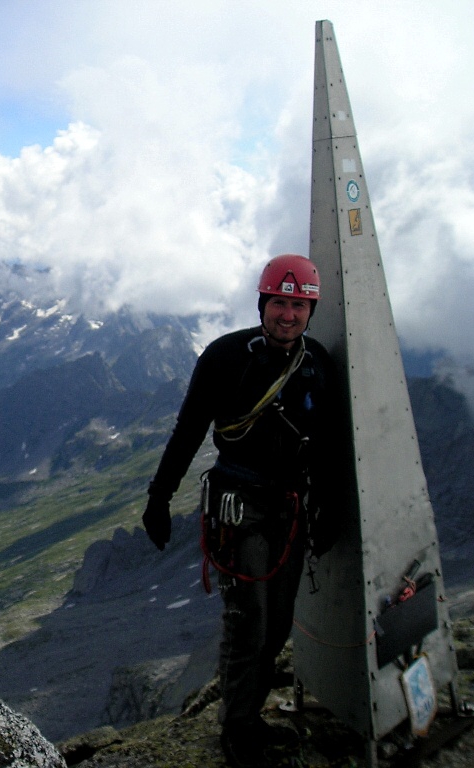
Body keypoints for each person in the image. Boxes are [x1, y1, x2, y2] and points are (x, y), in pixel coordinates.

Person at [142, 254, 339, 768]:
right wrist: (159, 498)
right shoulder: (226, 357)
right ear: (262, 304)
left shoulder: (316, 362)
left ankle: (247, 715)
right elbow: (188, 430)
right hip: (239, 508)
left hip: (291, 507)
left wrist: (331, 505)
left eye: (298, 305)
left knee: (277, 623)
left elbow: (328, 443)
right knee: (250, 619)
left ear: (310, 309)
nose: (288, 315)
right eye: (279, 303)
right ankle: (239, 729)